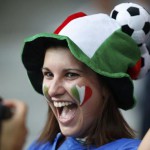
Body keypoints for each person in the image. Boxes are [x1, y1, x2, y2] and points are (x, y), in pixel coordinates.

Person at [21, 2, 150, 150]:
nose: (52, 90)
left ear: (106, 86)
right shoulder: (40, 146)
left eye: (70, 75)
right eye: (48, 74)